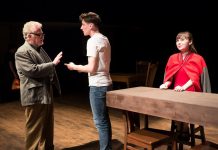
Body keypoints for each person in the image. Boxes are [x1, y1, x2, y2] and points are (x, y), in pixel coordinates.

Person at [65, 12, 112, 150]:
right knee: (105, 120)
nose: (81, 27)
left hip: (97, 86)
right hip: (107, 83)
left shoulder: (92, 41)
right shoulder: (105, 38)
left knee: (100, 122)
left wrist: (74, 67)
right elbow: (99, 66)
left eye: (83, 25)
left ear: (91, 25)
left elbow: (92, 68)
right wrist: (81, 69)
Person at [15, 21, 63, 150]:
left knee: (48, 128)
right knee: (34, 132)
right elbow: (33, 70)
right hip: (34, 97)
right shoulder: (22, 52)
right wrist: (52, 64)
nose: (42, 36)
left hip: (45, 95)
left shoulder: (39, 49)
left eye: (42, 33)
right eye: (39, 33)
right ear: (28, 36)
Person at [159, 31, 211, 141]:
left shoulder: (198, 58)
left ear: (190, 41)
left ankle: (184, 129)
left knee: (183, 110)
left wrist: (183, 88)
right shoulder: (172, 58)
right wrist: (166, 84)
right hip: (177, 93)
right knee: (174, 109)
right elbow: (170, 77)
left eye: (182, 40)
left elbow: (194, 78)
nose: (179, 42)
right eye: (177, 40)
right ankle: (180, 130)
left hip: (192, 93)